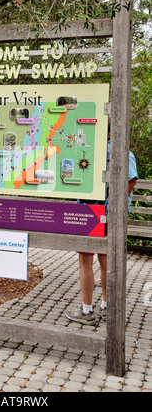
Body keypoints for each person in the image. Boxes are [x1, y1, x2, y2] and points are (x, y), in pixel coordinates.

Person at [65, 134, 138, 326]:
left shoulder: (88, 152)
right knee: (106, 262)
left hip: (88, 213)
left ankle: (87, 310)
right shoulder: (123, 152)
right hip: (107, 214)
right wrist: (114, 205)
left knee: (85, 262)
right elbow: (131, 180)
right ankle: (105, 307)